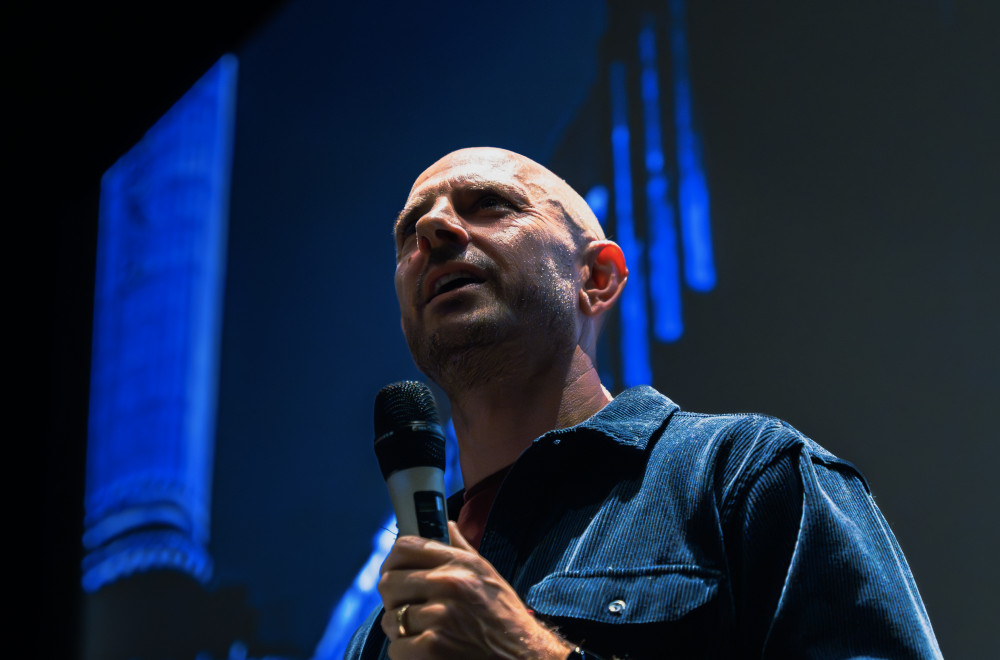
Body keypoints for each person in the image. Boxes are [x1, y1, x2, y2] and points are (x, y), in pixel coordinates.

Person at [345, 147, 941, 659]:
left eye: (489, 206)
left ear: (597, 278)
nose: (434, 230)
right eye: (409, 232)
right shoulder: (382, 630)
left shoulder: (748, 476)